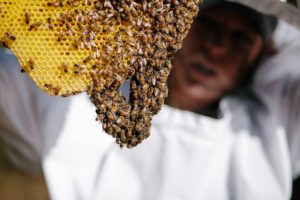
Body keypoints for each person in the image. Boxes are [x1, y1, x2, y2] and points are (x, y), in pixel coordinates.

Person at [1, 0, 300, 200]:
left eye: (241, 39)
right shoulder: (85, 88)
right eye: (208, 24)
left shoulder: (277, 125)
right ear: (174, 32)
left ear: (259, 57)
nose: (217, 47)